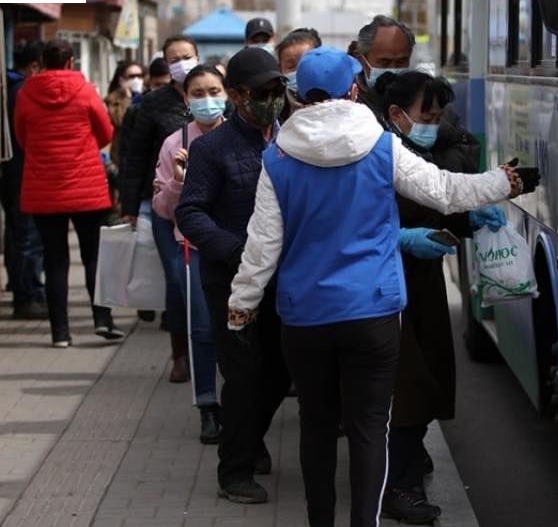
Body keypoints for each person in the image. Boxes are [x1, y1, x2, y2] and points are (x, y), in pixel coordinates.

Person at [227, 46, 539, 527]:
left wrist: (241, 305)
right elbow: (445, 190)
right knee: (370, 427)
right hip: (372, 311)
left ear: (297, 94)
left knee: (315, 424)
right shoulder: (381, 146)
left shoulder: (278, 156)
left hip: (305, 315)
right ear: (353, 90)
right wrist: (506, 181)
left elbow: (263, 243)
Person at [374, 71, 505, 523]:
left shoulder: (418, 152)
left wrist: (469, 221)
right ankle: (398, 486)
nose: (433, 124)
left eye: (438, 115)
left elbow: (440, 203)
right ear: (395, 115)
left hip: (424, 285)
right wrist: (401, 239)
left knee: (430, 378)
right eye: (425, 115)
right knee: (405, 388)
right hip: (388, 289)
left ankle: (408, 467)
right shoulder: (378, 155)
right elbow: (354, 226)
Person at [176, 48, 291, 505]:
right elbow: (191, 212)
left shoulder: (291, 141)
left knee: (281, 372)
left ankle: (250, 436)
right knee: (244, 376)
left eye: (279, 90)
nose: (273, 100)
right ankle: (235, 470)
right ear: (239, 96)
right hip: (230, 281)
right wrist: (237, 250)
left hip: (283, 279)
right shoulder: (211, 149)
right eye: (264, 92)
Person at [14, 39, 123, 347]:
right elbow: (105, 131)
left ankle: (60, 333)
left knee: (55, 260)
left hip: (44, 188)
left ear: (43, 62)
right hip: (86, 186)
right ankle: (103, 320)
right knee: (92, 256)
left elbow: (21, 135)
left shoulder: (26, 93)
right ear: (70, 61)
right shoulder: (85, 90)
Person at [152, 65, 226, 444]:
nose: (208, 100)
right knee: (202, 328)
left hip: (239, 248)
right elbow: (163, 209)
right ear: (186, 97)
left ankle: (240, 402)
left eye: (215, 90)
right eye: (198, 92)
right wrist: (180, 183)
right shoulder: (174, 143)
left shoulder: (242, 136)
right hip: (193, 247)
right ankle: (207, 406)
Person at [120, 36, 198, 379]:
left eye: (187, 56)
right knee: (177, 278)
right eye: (175, 59)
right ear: (166, 65)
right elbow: (134, 157)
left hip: (209, 205)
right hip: (165, 205)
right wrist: (129, 205)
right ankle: (180, 353)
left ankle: (207, 346)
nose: (182, 63)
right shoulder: (152, 104)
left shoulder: (214, 95)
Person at [0, 42, 47, 319]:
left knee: (23, 237)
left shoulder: (13, 88)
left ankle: (30, 292)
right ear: (34, 67)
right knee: (27, 238)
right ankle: (27, 296)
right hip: (23, 173)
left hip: (16, 173)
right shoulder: (21, 92)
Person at [353, 15, 415, 115]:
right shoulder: (348, 102)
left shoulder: (421, 100)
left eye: (401, 61)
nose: (393, 70)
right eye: (384, 62)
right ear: (361, 61)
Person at [276, 28, 322, 123]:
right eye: (291, 66)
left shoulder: (331, 100)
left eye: (305, 64)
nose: (300, 72)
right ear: (280, 69)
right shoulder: (276, 107)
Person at [105, 60, 145, 164]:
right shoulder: (113, 100)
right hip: (122, 155)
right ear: (121, 79)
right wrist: (127, 98)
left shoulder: (147, 95)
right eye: (132, 76)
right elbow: (120, 121)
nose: (136, 80)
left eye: (140, 76)